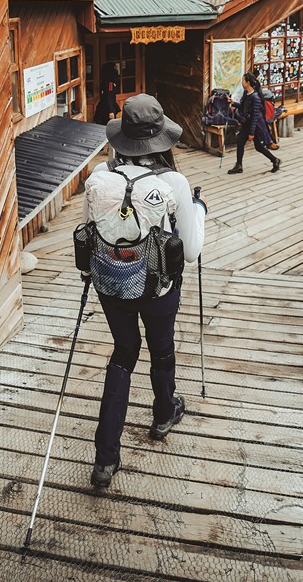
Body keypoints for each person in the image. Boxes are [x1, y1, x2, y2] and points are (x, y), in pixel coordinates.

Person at [83, 93, 204, 490]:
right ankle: (164, 413)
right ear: (160, 139)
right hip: (158, 287)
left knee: (123, 354)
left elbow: (90, 233)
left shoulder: (101, 178)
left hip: (112, 283)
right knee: (161, 348)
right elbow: (191, 248)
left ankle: (106, 459)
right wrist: (198, 210)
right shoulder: (173, 182)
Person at [228, 72, 281, 174]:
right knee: (240, 143)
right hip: (247, 123)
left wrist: (251, 133)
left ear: (248, 83)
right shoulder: (247, 94)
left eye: (243, 80)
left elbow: (255, 117)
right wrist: (233, 103)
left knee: (259, 147)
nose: (242, 82)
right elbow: (244, 108)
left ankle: (275, 160)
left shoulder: (255, 97)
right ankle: (239, 165)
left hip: (255, 126)